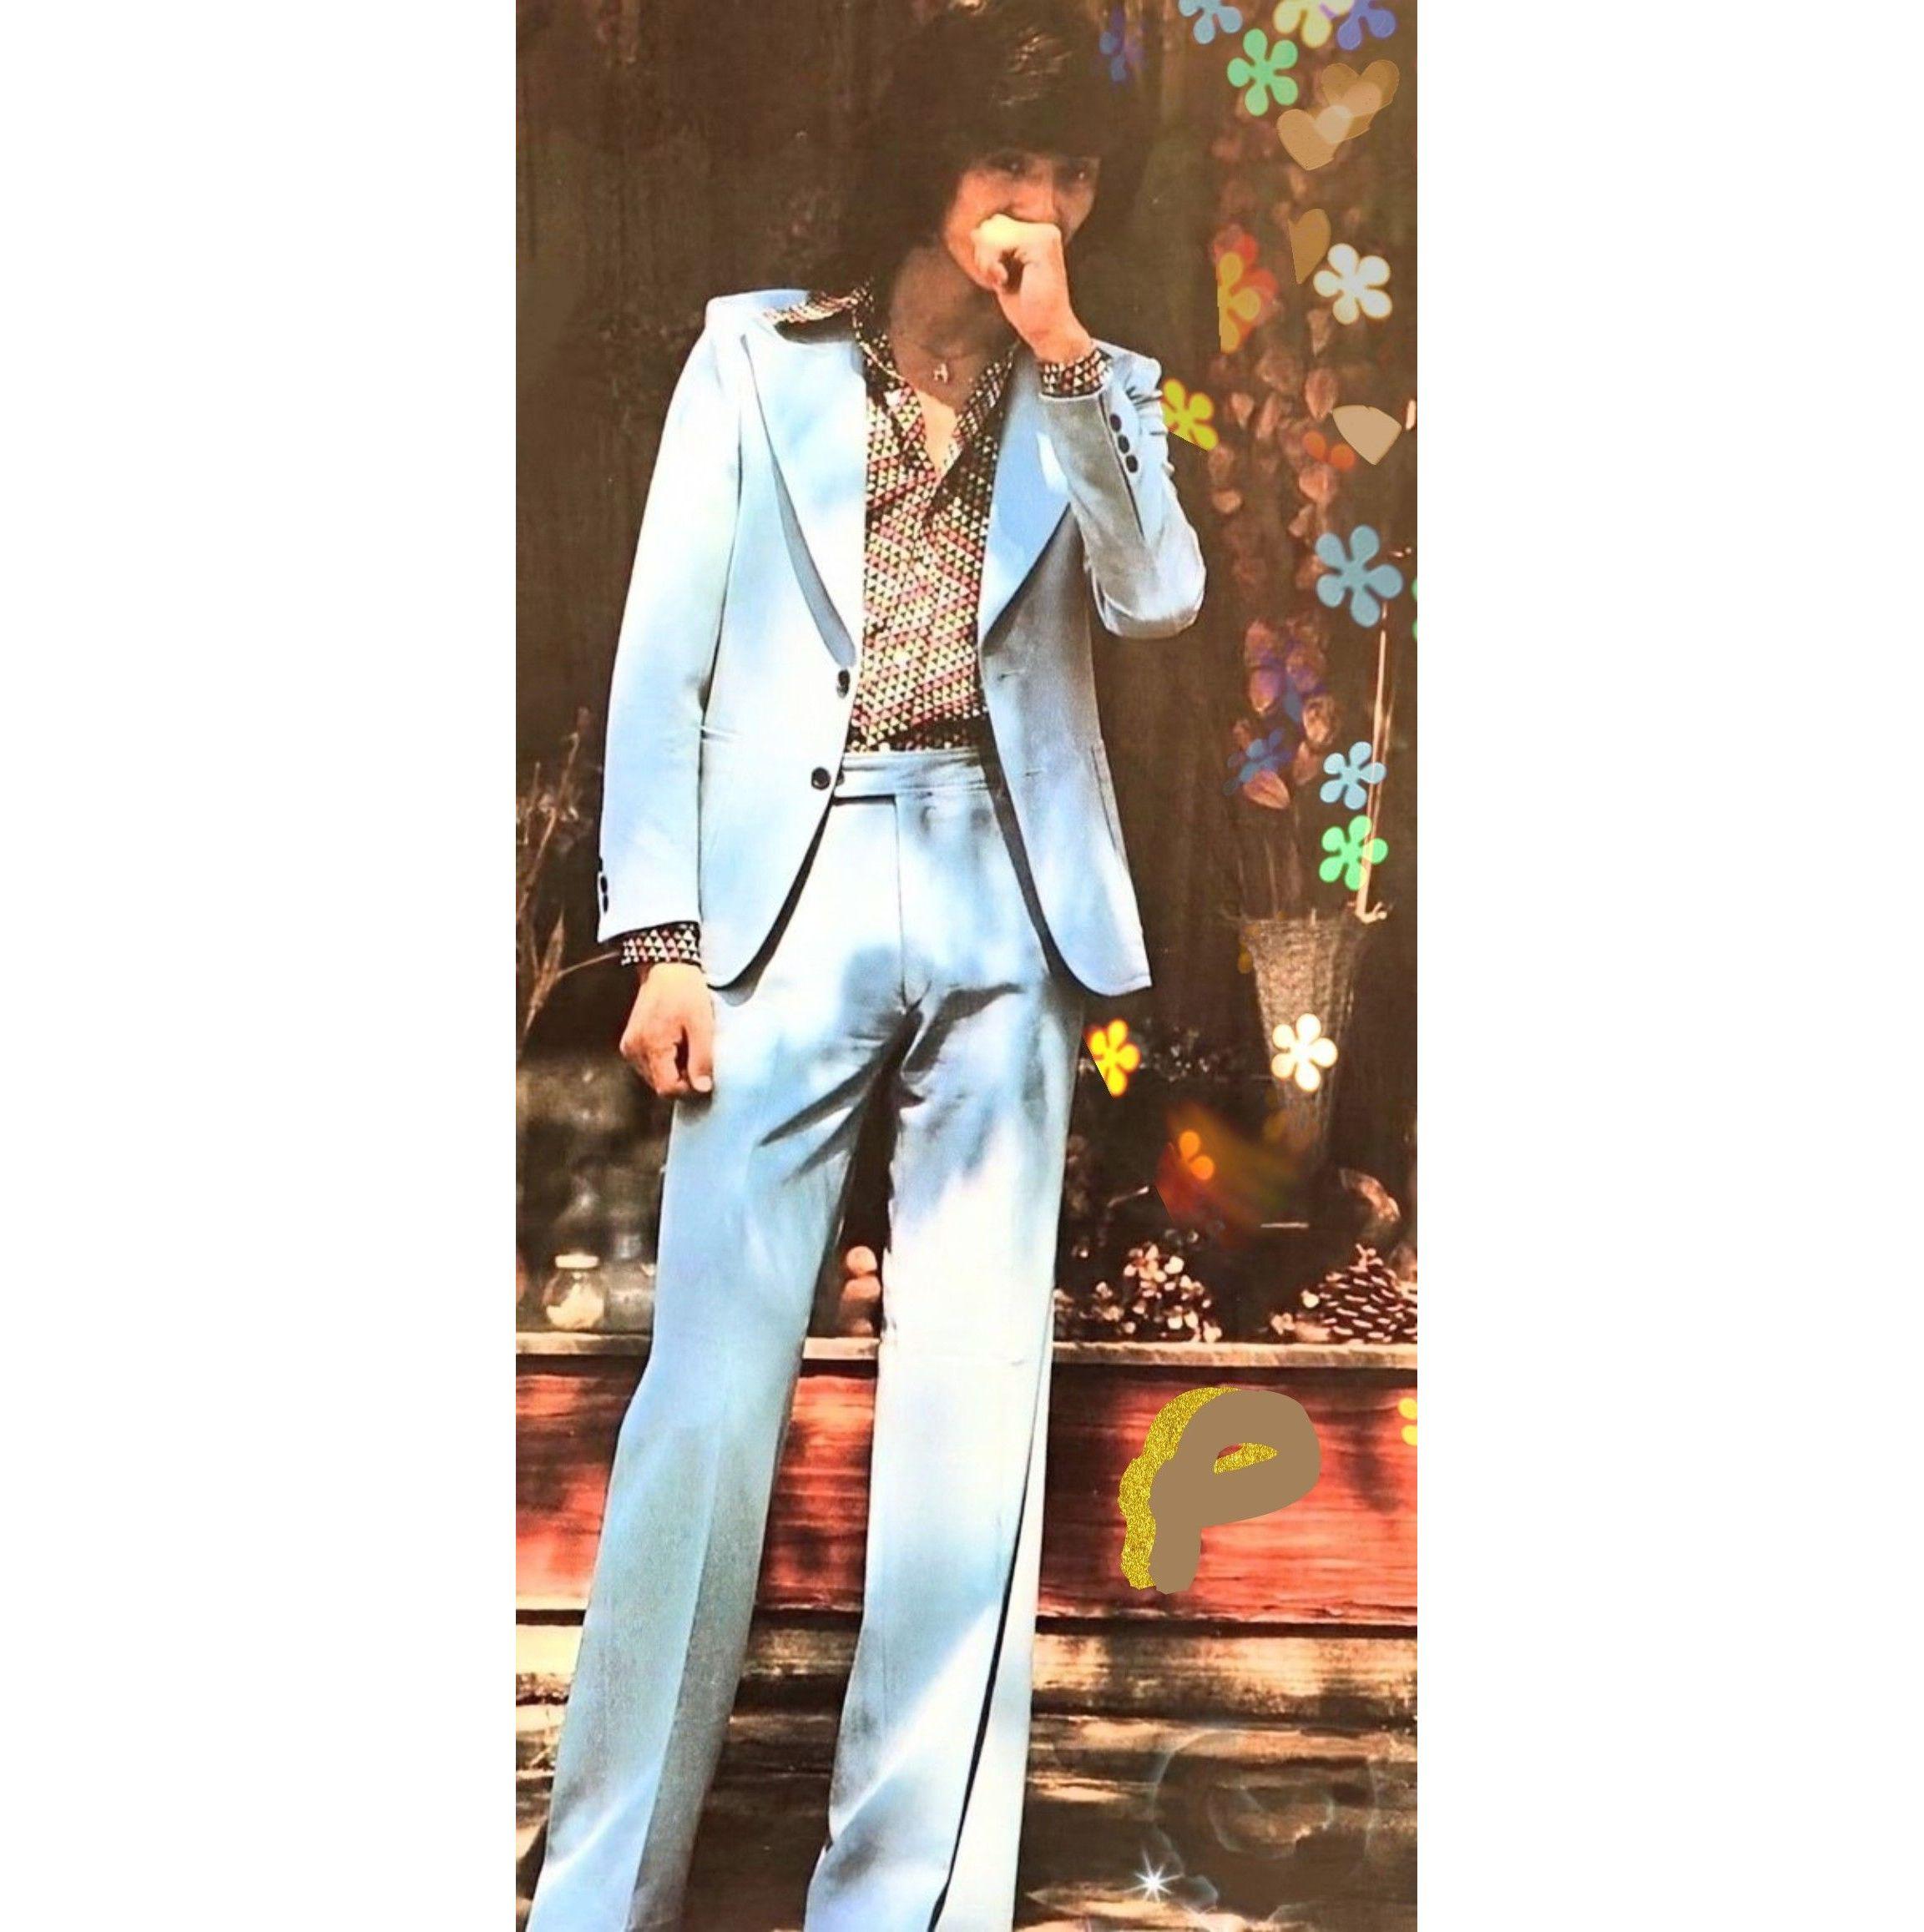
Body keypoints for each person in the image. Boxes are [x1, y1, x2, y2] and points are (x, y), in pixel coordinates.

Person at [526, 3, 1205, 1926]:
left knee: (970, 1418)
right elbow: (663, 660)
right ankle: (597, 1891)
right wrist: (662, 943)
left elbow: (1159, 595)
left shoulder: (1099, 389)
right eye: (1009, 162)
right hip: (785, 905)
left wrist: (1067, 359)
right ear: (933, 162)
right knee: (705, 1405)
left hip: (1005, 900)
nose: (1037, 202)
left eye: (1070, 173)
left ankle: (900, 1904)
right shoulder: (755, 357)